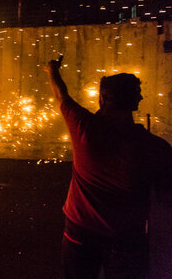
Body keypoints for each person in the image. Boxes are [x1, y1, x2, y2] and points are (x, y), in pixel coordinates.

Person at [44, 58, 171, 279]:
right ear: (137, 101)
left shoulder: (84, 127)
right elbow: (167, 197)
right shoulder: (156, 147)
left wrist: (52, 70)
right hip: (128, 239)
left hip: (80, 233)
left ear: (102, 99)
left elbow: (60, 95)